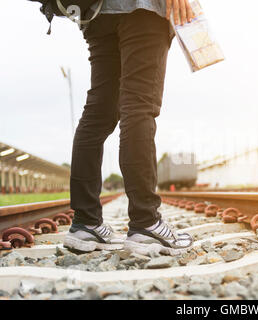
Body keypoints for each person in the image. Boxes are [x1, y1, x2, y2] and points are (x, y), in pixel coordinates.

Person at [63, 0, 194, 256]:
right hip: (142, 9)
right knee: (139, 106)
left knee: (97, 114)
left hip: (98, 14)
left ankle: (85, 223)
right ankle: (146, 222)